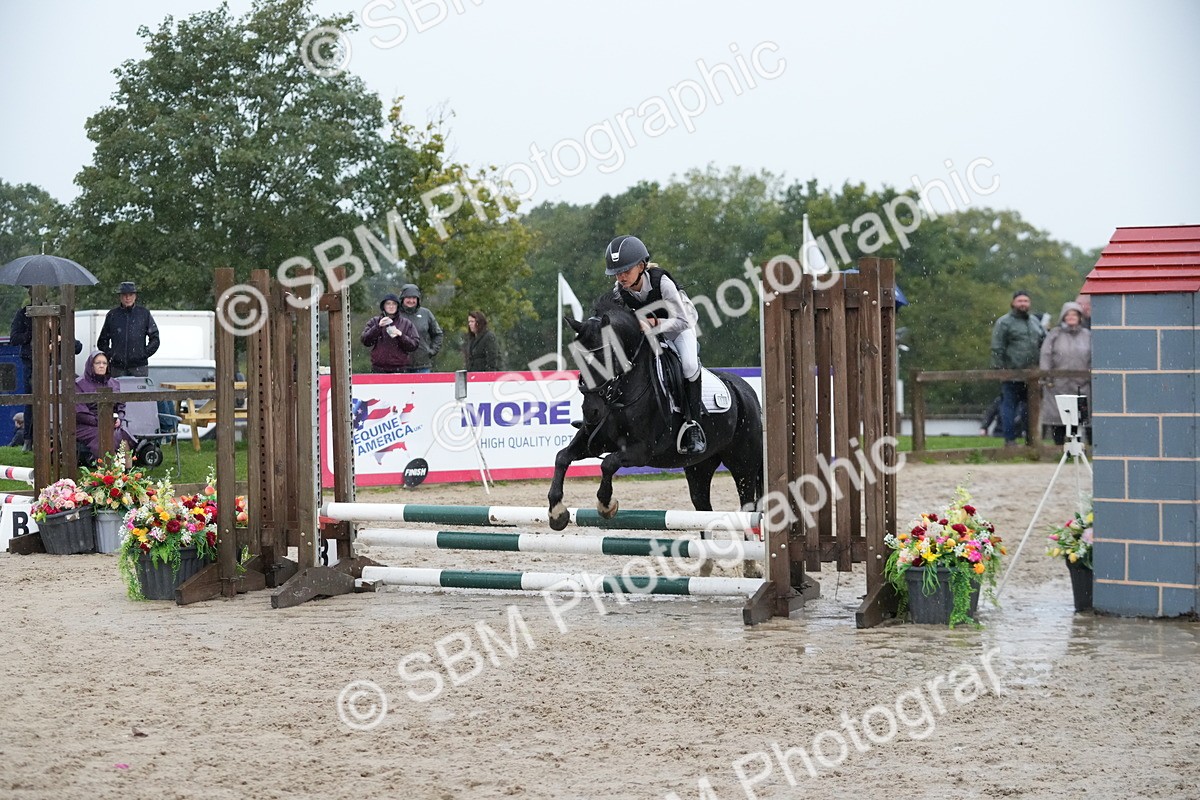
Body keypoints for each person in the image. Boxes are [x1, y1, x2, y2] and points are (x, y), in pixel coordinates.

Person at [605, 234, 706, 455]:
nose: (621, 277)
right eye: (617, 273)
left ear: (641, 266)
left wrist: (654, 323)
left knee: (688, 365)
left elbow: (683, 321)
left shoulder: (663, 283)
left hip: (680, 327)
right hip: (651, 332)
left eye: (625, 271)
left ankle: (693, 425)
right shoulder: (619, 290)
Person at [9, 292, 83, 452]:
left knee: (59, 401)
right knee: (32, 401)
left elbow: (77, 347)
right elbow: (14, 338)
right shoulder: (23, 314)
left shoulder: (61, 324)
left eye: (51, 319)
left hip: (57, 368)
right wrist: (35, 335)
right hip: (32, 364)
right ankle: (28, 439)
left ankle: (61, 438)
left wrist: (60, 338)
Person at [990, 290, 1046, 447]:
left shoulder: (1034, 322)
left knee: (1030, 409)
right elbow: (997, 347)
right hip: (1012, 373)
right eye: (1020, 301)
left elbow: (1043, 341)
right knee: (1009, 407)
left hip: (1032, 375)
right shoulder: (1004, 322)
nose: (1023, 304)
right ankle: (1010, 440)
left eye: (1026, 301)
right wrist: (1000, 369)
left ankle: (1031, 440)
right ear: (1013, 303)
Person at [1040, 301, 1091, 446]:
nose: (1071, 317)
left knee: (1079, 416)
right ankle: (1059, 448)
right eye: (1068, 314)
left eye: (1074, 314)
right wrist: (1047, 376)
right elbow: (1046, 355)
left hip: (1082, 384)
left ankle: (1078, 448)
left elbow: (1093, 356)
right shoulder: (1055, 334)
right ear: (1063, 317)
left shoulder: (1087, 335)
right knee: (1058, 417)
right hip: (1057, 384)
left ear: (1080, 317)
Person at [75, 351, 136, 464]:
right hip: (87, 425)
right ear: (91, 365)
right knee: (104, 437)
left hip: (112, 422)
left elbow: (121, 405)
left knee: (123, 435)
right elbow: (80, 412)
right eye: (98, 363)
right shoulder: (79, 384)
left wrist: (119, 418)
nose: (102, 365)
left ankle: (126, 472)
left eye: (104, 363)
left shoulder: (114, 383)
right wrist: (102, 421)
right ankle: (107, 471)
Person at [97, 281, 160, 378]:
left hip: (139, 367)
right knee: (117, 392)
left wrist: (143, 354)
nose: (128, 298)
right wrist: (112, 355)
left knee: (138, 393)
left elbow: (155, 339)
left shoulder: (144, 314)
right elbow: (102, 341)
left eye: (130, 294)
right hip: (117, 368)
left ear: (135, 296)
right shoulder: (112, 315)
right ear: (120, 297)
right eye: (124, 295)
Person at [360, 293, 420, 374]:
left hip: (400, 369)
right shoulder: (374, 321)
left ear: (397, 306)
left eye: (394, 304)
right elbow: (365, 340)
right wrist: (378, 326)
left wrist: (401, 335)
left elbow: (414, 345)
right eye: (388, 303)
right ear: (383, 306)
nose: (391, 306)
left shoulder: (406, 323)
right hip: (378, 369)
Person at [396, 284, 443, 373]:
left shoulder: (426, 313)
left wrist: (432, 351)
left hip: (423, 365)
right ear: (402, 298)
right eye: (408, 298)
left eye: (414, 298)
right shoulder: (396, 315)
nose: (411, 301)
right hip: (401, 365)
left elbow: (438, 334)